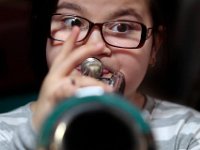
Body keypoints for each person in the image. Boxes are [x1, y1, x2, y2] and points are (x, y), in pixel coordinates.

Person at [1, 0, 200, 149]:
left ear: (154, 46)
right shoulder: (4, 131)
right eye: (72, 21)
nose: (95, 47)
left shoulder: (190, 131)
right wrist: (33, 137)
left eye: (122, 27)